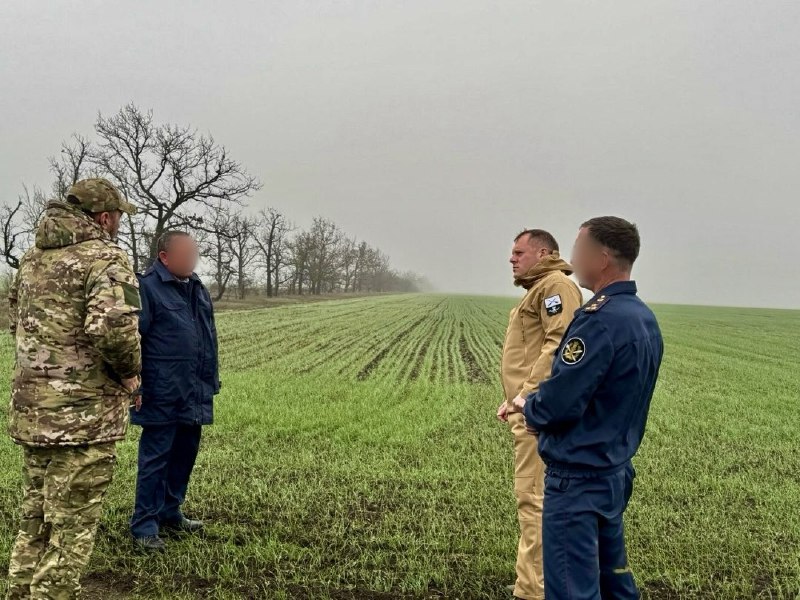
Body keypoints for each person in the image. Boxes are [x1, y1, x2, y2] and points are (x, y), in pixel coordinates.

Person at [513, 216, 664, 599]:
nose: (573, 258)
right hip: (613, 470)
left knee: (571, 589)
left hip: (578, 480)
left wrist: (531, 409)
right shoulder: (643, 318)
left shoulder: (599, 321)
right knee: (614, 582)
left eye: (579, 249)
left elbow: (561, 399)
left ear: (602, 258)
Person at [6, 178, 141, 600]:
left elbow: (17, 321)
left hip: (33, 412)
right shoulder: (106, 257)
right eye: (118, 217)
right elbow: (113, 328)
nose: (119, 224)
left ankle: (19, 593)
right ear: (106, 217)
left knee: (35, 519)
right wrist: (130, 373)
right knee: (71, 529)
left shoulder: (32, 259)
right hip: (84, 416)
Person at [499, 229, 583, 599]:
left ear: (544, 253)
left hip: (536, 414)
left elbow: (559, 344)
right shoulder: (541, 288)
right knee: (531, 496)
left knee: (532, 497)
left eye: (519, 252)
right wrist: (513, 399)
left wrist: (526, 396)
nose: (512, 258)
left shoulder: (555, 287)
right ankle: (531, 580)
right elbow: (533, 348)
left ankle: (533, 590)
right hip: (529, 408)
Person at [129, 231, 220, 551]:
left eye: (195, 252)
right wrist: (137, 384)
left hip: (193, 389)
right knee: (156, 459)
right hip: (161, 390)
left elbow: (207, 337)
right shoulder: (146, 288)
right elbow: (133, 339)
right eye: (185, 253)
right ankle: (144, 525)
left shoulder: (197, 287)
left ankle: (170, 512)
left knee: (184, 454)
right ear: (164, 257)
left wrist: (210, 381)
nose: (192, 258)